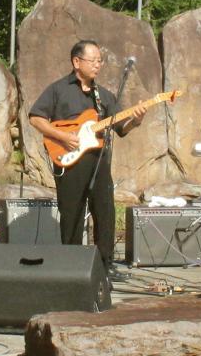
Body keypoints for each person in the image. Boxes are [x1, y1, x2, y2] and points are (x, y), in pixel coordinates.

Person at [29, 40, 146, 274]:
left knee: (105, 211)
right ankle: (71, 265)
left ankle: (104, 266)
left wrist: (136, 120)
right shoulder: (58, 89)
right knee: (72, 212)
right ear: (76, 62)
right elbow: (36, 117)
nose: (98, 65)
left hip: (99, 160)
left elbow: (121, 128)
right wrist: (62, 136)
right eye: (93, 60)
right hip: (70, 159)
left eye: (100, 61)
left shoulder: (103, 96)